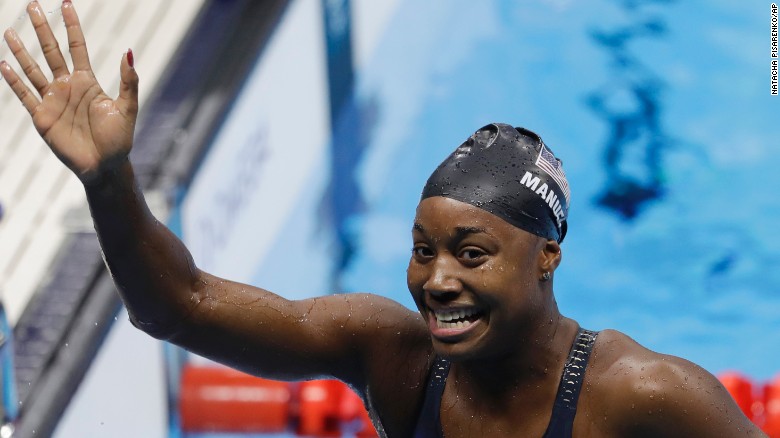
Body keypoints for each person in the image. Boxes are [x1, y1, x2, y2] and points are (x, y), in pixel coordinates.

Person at [0, 2, 765, 437]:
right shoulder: (393, 358)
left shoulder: (647, 397)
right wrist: (108, 179)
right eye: (422, 249)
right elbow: (176, 306)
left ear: (546, 257)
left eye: (471, 253)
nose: (436, 280)